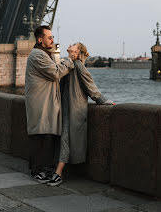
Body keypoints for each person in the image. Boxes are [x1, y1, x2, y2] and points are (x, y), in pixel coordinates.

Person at [47, 42, 114, 186]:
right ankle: (56, 170)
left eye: (74, 45)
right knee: (62, 138)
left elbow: (91, 86)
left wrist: (104, 101)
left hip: (74, 109)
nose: (70, 44)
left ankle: (58, 173)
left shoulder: (78, 65)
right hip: (65, 107)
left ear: (77, 52)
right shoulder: (68, 63)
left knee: (65, 138)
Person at [25, 26, 78, 183]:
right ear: (40, 40)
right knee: (41, 137)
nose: (53, 40)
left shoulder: (42, 54)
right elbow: (55, 73)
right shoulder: (37, 56)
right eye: (49, 37)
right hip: (41, 103)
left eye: (52, 37)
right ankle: (37, 171)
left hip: (45, 102)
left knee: (44, 136)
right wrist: (70, 60)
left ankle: (42, 169)